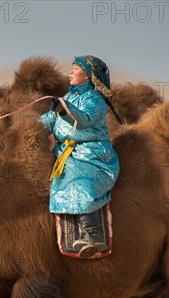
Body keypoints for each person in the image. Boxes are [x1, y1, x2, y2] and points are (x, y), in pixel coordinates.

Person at [40, 55, 121, 258]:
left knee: (80, 183)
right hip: (65, 154)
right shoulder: (67, 98)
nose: (70, 71)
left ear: (89, 76)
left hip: (91, 156)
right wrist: (24, 127)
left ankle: (95, 238)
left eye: (76, 68)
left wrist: (64, 111)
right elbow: (46, 122)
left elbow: (83, 120)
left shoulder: (94, 100)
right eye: (72, 67)